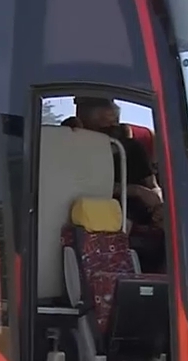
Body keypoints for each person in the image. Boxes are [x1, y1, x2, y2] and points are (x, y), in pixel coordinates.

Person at [67, 98, 167, 273]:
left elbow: (152, 186)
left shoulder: (133, 148)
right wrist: (134, 191)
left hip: (139, 211)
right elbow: (79, 184)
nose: (112, 111)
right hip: (98, 209)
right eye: (102, 127)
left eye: (113, 123)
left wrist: (160, 206)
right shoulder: (73, 145)